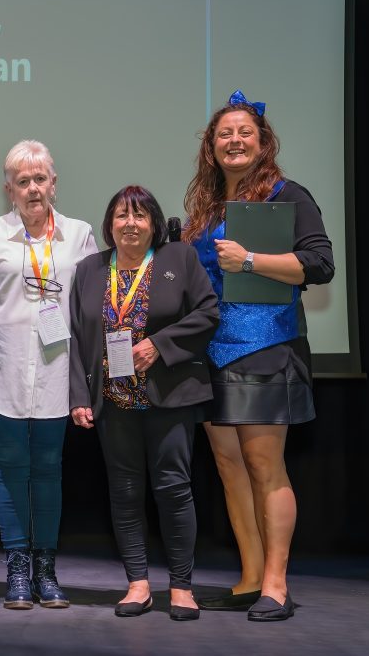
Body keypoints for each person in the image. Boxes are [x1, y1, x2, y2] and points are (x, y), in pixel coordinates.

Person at [184, 90, 335, 621]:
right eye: (224, 133)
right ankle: (250, 577)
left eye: (244, 131)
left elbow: (319, 265)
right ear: (211, 147)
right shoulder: (203, 208)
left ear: (263, 141)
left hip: (268, 346)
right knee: (228, 466)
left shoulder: (289, 195)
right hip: (211, 353)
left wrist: (249, 260)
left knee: (263, 463)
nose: (234, 140)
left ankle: (276, 584)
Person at [69, 186, 219, 621]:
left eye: (139, 216)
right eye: (121, 215)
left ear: (154, 223)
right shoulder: (90, 270)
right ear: (109, 224)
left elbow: (208, 312)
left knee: (173, 488)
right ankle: (137, 584)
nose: (130, 223)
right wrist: (81, 396)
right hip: (113, 401)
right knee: (126, 492)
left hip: (169, 397)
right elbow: (79, 335)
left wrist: (159, 344)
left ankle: (182, 587)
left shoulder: (180, 259)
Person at [0, 140, 98, 609]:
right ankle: (17, 569)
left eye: (39, 179)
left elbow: (86, 310)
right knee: (8, 470)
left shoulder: (80, 234)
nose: (32, 189)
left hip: (56, 371)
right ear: (8, 188)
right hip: (3, 369)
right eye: (22, 181)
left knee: (48, 471)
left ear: (54, 184)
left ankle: (45, 567)